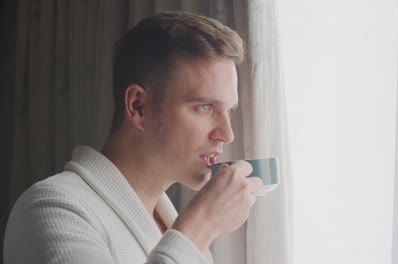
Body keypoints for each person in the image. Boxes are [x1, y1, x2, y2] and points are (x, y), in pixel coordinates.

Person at [4, 11, 264, 264]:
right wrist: (201, 226)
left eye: (228, 110)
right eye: (205, 107)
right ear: (139, 106)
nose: (226, 135)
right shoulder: (50, 210)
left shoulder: (171, 225)